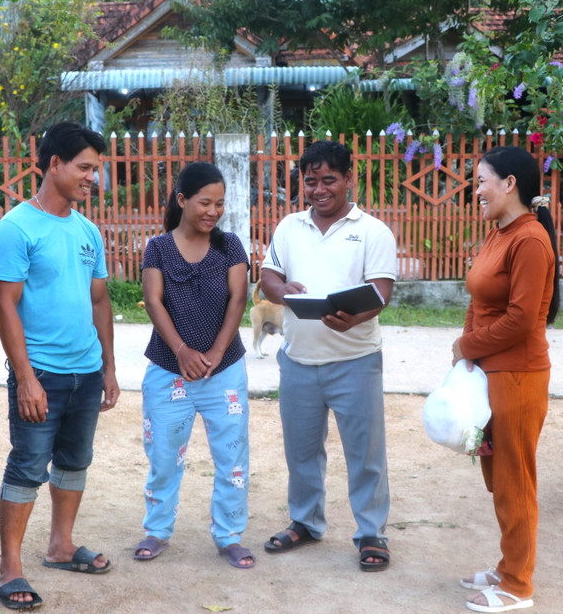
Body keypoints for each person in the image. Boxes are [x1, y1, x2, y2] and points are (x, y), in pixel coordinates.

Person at [0, 121, 120, 610]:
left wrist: (108, 368)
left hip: (86, 370)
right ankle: (10, 567)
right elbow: (5, 305)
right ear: (54, 164)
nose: (92, 178)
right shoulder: (16, 228)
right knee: (27, 466)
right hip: (41, 372)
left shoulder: (88, 231)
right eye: (85, 168)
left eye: (95, 169)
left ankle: (61, 547)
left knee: (74, 461)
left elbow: (100, 299)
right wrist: (25, 378)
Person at [259, 140, 397, 571]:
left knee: (365, 454)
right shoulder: (289, 227)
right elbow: (268, 277)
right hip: (298, 361)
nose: (319, 189)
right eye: (311, 181)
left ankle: (371, 532)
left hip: (356, 361)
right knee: (301, 452)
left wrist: (356, 318)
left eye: (329, 180)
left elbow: (381, 291)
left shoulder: (373, 231)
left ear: (348, 179)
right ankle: (305, 522)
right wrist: (282, 291)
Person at [452, 145, 559, 613]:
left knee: (515, 479)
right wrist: (468, 347)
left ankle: (517, 585)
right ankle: (508, 564)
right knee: (499, 477)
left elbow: (521, 320)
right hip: (490, 373)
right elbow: (479, 299)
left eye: (481, 181)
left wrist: (467, 347)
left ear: (509, 184)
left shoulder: (530, 239)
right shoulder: (499, 233)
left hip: (518, 376)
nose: (476, 190)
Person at [133, 162, 254, 569]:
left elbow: (239, 298)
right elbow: (153, 301)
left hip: (225, 371)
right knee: (163, 456)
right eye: (205, 202)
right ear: (182, 200)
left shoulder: (230, 246)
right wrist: (182, 350)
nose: (213, 211)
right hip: (169, 370)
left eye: (219, 203)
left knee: (233, 460)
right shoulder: (158, 248)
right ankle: (157, 530)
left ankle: (229, 536)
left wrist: (217, 351)